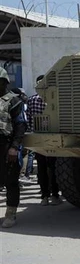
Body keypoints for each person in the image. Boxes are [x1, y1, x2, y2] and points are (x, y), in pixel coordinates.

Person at [26, 75, 61, 206]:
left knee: (41, 167)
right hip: (52, 137)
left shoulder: (31, 100)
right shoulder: (52, 100)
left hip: (37, 137)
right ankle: (55, 195)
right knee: (53, 167)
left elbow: (28, 119)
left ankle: (44, 196)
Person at [0, 68, 28, 228]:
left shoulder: (14, 101)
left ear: (4, 82)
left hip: (7, 146)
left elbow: (20, 126)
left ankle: (10, 214)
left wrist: (15, 147)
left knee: (11, 181)